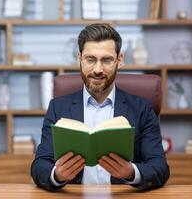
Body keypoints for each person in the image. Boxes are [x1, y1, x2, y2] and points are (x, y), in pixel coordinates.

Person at [31, 23, 169, 192]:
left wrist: (131, 172)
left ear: (120, 60)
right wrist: (57, 175)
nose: (98, 69)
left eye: (107, 60)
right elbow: (39, 166)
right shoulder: (57, 108)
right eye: (90, 59)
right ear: (79, 58)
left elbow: (160, 168)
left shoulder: (142, 109)